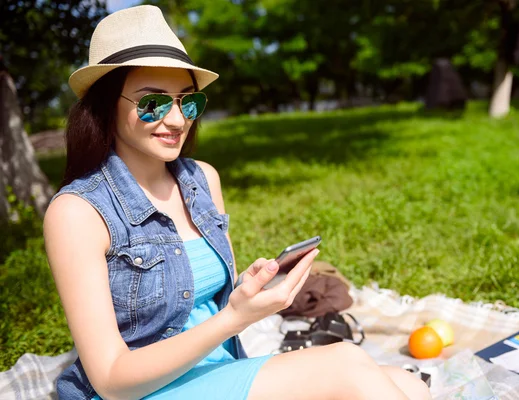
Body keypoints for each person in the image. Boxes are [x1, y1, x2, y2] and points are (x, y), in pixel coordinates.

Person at [43, 5, 431, 400]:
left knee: (410, 387)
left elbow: (205, 298)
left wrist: (252, 289)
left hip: (215, 369)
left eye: (188, 102)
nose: (177, 120)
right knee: (347, 364)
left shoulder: (201, 180)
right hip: (139, 390)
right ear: (106, 105)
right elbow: (110, 379)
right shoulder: (77, 212)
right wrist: (233, 318)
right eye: (153, 104)